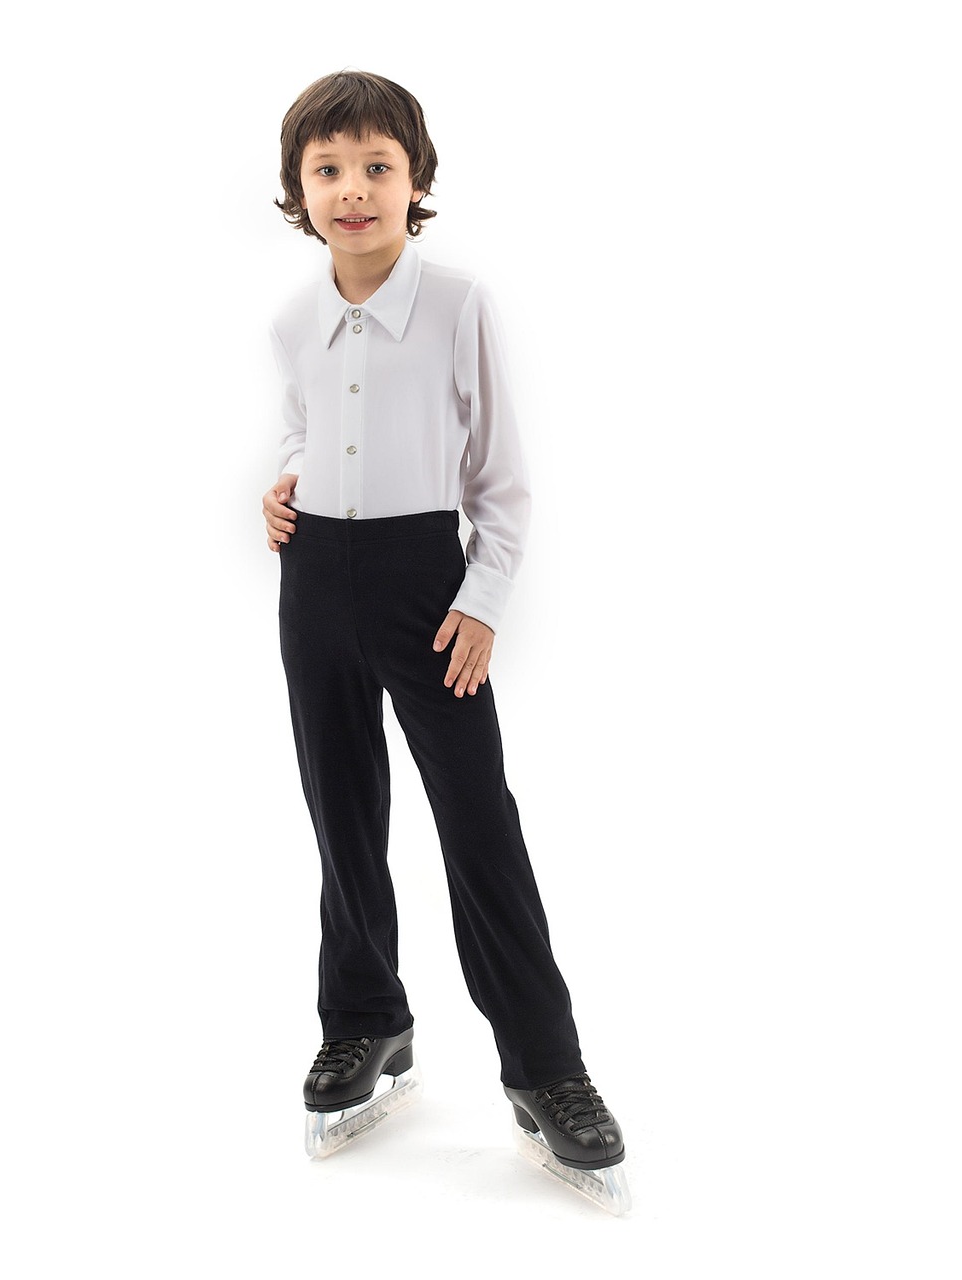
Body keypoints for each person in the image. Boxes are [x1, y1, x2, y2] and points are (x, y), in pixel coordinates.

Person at [261, 69, 625, 1176]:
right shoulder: (293, 320)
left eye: (377, 166)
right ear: (297, 188)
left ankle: (544, 1063)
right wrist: (285, 481)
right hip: (313, 578)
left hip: (426, 583)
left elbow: (500, 479)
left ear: (414, 180)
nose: (352, 189)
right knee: (341, 809)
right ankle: (366, 1018)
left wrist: (481, 600)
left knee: (477, 821)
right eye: (328, 169)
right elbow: (301, 426)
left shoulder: (458, 306)